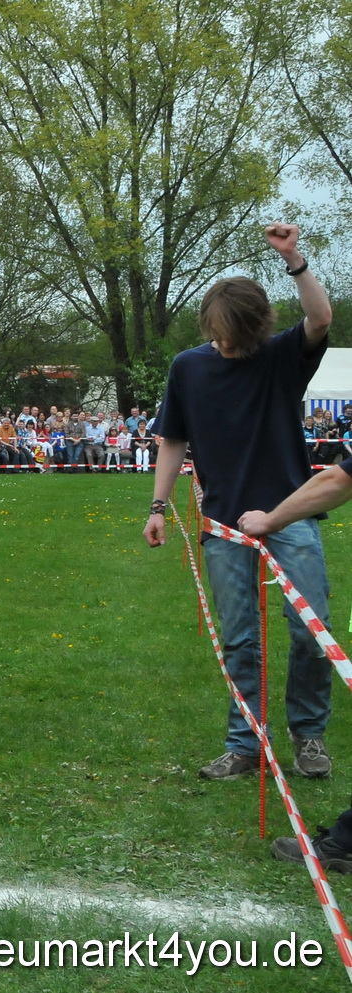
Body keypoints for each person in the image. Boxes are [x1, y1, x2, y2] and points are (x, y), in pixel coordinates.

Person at [144, 221, 335, 783]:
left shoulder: (280, 357)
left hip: (290, 513)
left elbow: (321, 318)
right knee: (239, 637)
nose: (230, 345)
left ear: (257, 327)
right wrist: (158, 508)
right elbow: (173, 439)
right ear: (209, 325)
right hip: (225, 521)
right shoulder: (189, 367)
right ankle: (245, 743)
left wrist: (294, 258)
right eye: (222, 334)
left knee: (310, 627)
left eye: (239, 335)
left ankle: (309, 736)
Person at [238, 458, 352, 867]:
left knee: (313, 633)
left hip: (276, 511)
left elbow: (339, 480)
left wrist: (271, 519)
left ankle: (347, 841)